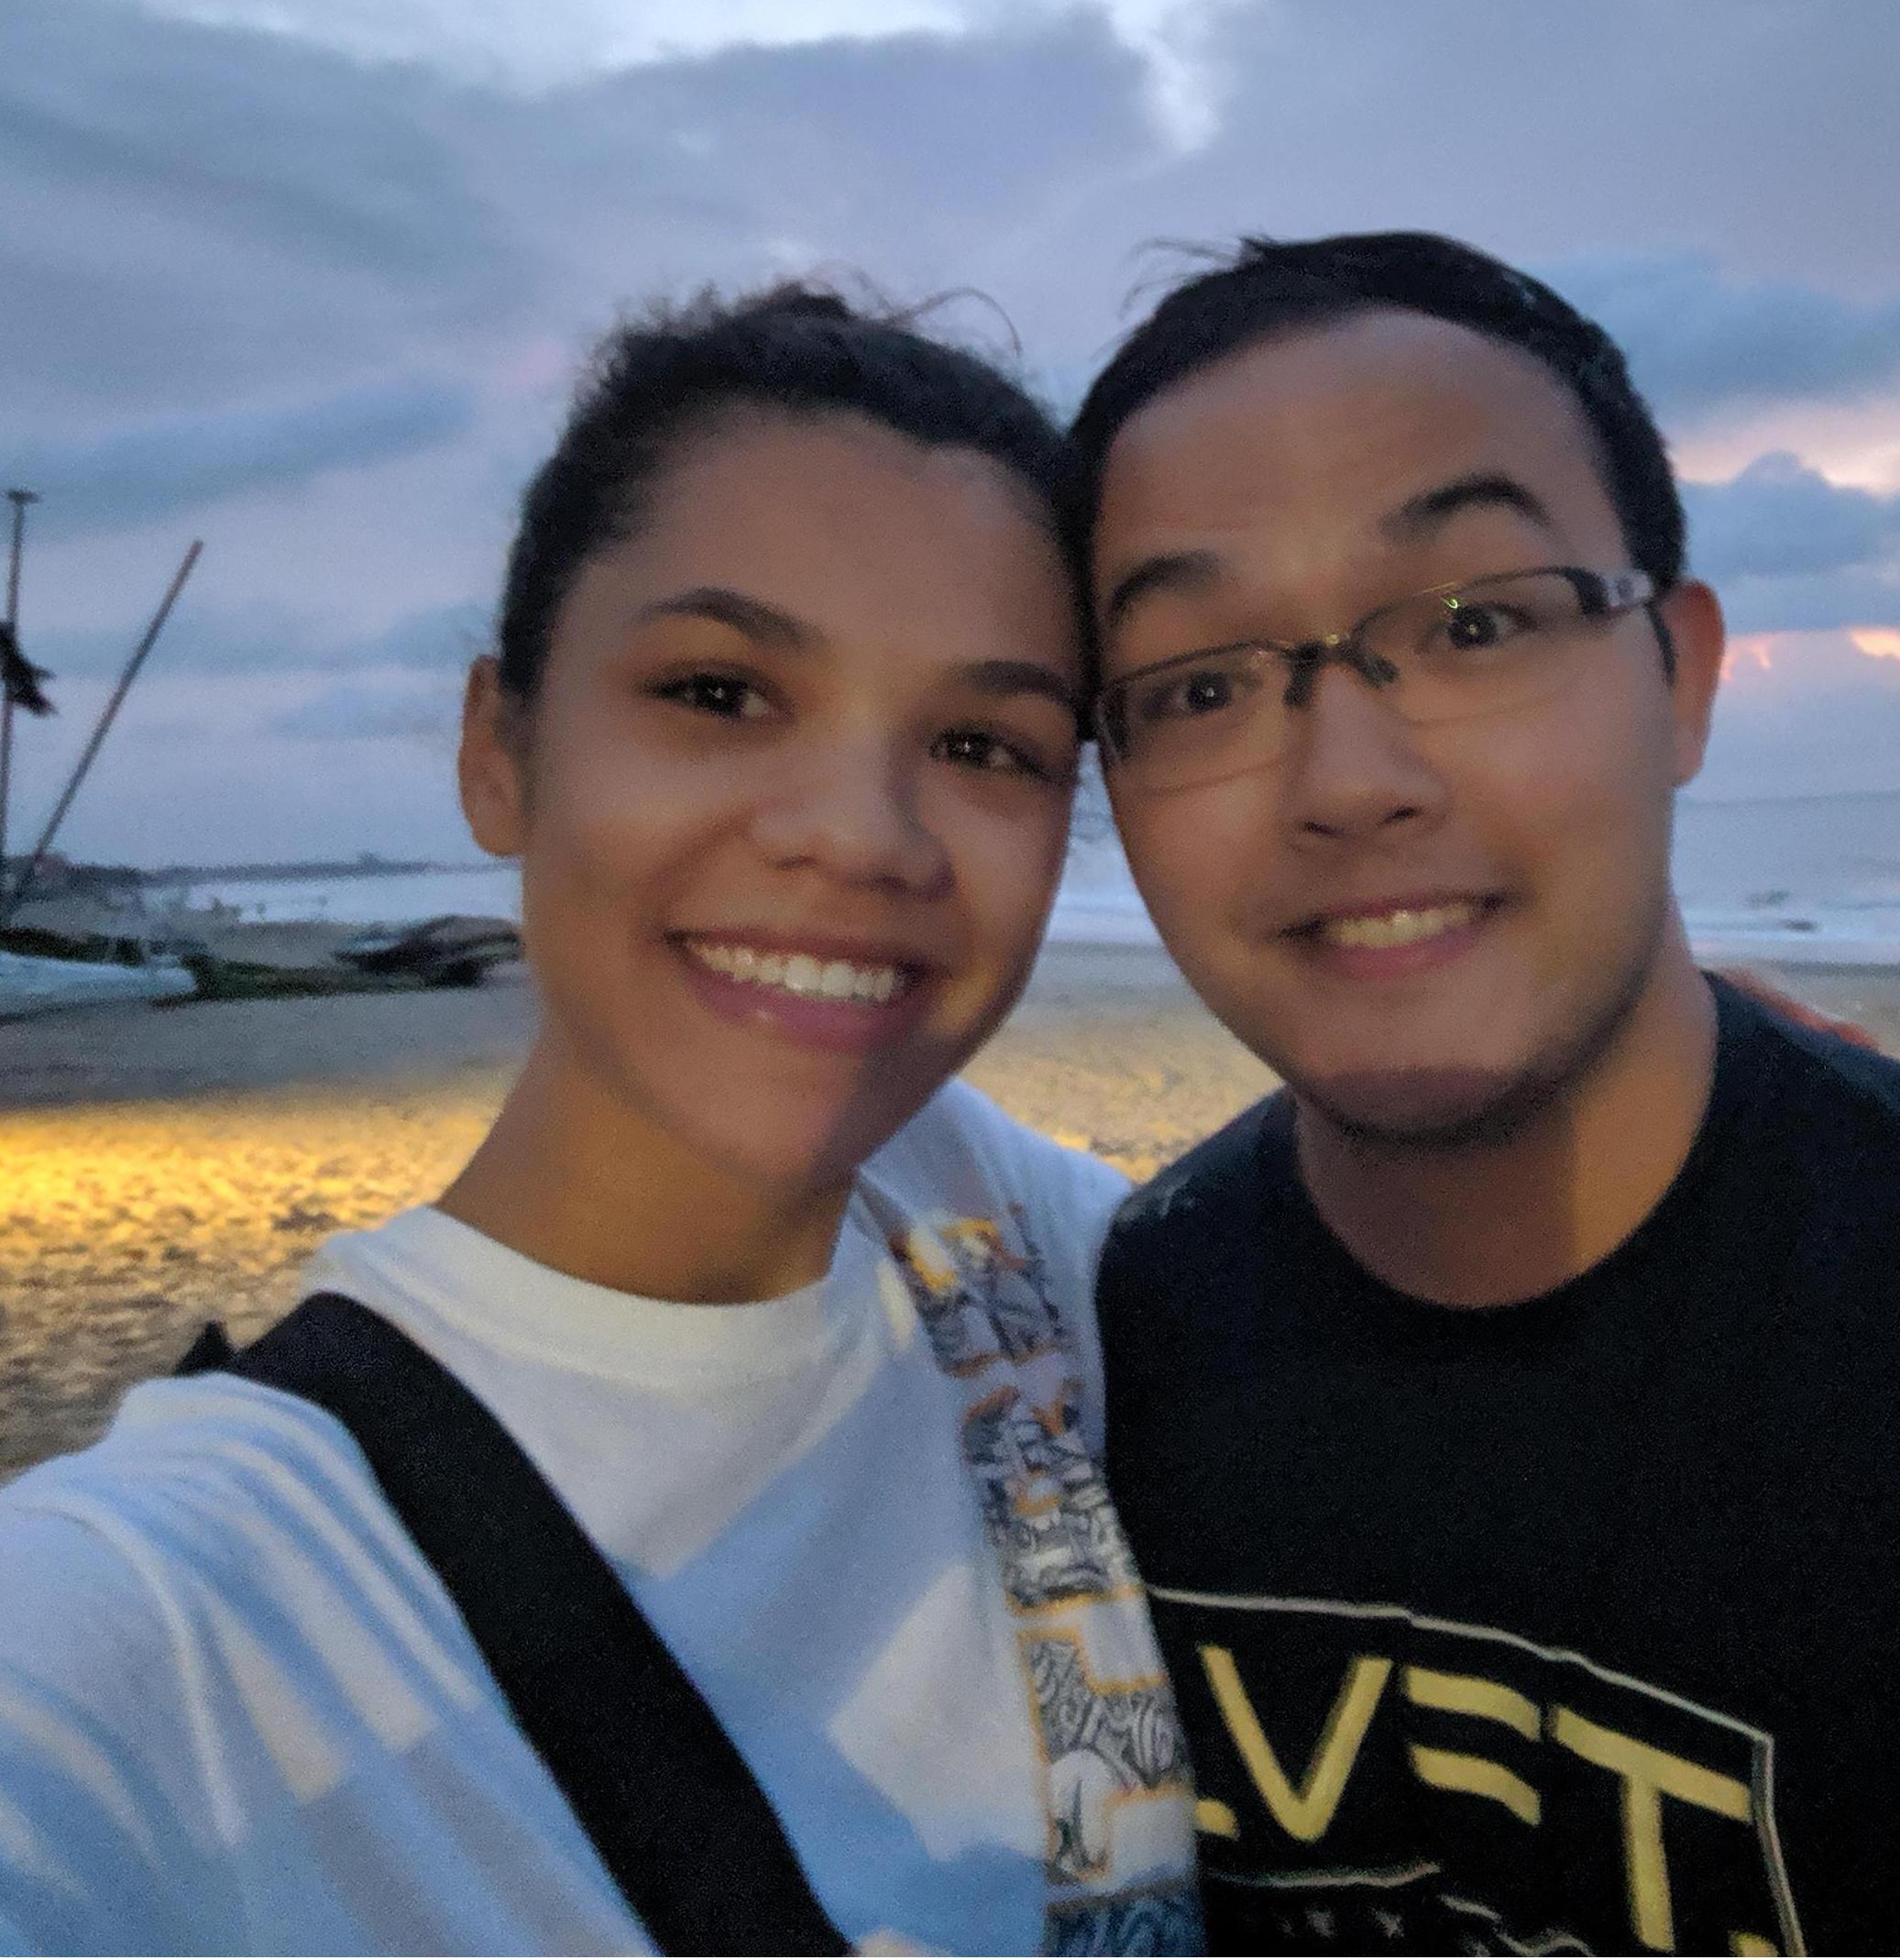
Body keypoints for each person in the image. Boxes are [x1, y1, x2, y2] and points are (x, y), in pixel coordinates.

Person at [1071, 232, 1900, 1955]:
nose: (1348, 780)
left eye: (1475, 622)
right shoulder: (1099, 1361)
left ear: (1680, 676)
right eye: (1203, 685)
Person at [0, 287, 1200, 1955]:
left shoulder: (988, 1233)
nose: (860, 837)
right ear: (500, 751)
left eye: (981, 742)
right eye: (718, 693)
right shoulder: (157, 1620)